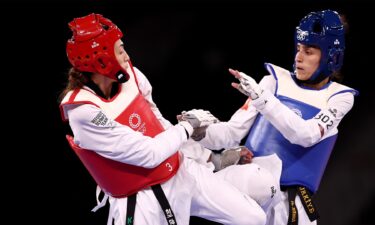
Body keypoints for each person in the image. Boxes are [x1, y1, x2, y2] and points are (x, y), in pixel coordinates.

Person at [59, 13, 270, 225]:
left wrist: (209, 157)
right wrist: (188, 126)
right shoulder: (83, 112)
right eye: (120, 50)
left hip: (182, 171)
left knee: (253, 218)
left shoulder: (132, 75)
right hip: (141, 199)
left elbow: (159, 124)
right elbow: (149, 154)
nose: (126, 56)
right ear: (102, 60)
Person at [188, 9, 358, 225]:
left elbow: (307, 135)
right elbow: (231, 133)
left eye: (309, 51)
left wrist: (263, 99)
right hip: (249, 192)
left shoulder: (339, 98)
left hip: (295, 208)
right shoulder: (273, 82)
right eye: (298, 49)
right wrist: (198, 132)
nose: (298, 57)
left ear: (330, 58)